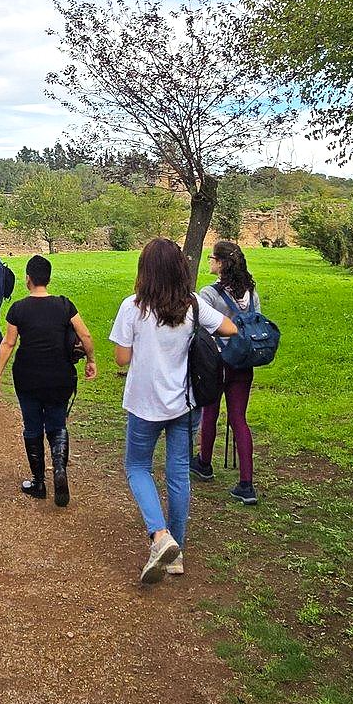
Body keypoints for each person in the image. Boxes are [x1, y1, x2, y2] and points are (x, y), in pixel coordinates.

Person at [112, 238, 239, 583]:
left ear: (145, 272)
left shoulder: (133, 307)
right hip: (185, 403)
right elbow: (229, 328)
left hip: (144, 404)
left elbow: (122, 358)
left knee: (137, 467)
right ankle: (176, 552)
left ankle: (159, 535)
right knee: (179, 474)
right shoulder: (193, 305)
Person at [0, 255, 97, 506]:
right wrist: (91, 360)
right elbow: (85, 334)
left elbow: (8, 343)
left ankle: (38, 481)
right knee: (57, 424)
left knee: (32, 426)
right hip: (60, 376)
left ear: (28, 279)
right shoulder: (64, 305)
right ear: (48, 279)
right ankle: (59, 470)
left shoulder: (18, 309)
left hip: (28, 376)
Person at [196, 241, 261, 504]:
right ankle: (246, 483)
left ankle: (204, 462)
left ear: (221, 263)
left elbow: (201, 325)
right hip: (244, 362)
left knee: (210, 411)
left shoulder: (209, 294)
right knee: (239, 419)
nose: (209, 261)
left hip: (217, 362)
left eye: (212, 258)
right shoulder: (251, 292)